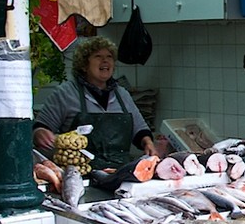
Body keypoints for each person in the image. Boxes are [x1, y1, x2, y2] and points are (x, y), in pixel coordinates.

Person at [33, 37, 157, 169]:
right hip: (79, 173)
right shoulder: (66, 93)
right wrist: (40, 133)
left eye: (109, 57)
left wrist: (148, 143)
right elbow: (40, 127)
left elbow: (140, 129)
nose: (105, 60)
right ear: (84, 65)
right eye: (98, 56)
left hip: (119, 171)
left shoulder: (122, 94)